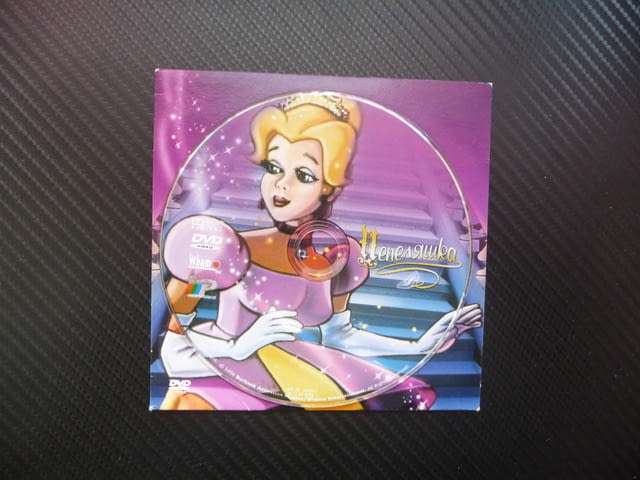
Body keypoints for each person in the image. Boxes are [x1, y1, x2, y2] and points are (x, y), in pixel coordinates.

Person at [159, 94, 482, 410]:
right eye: (273, 167)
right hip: (221, 376)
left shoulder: (339, 259)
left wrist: (419, 345)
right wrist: (236, 347)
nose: (281, 184)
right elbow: (173, 345)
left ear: (330, 188)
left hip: (297, 375)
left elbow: (340, 337)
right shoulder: (221, 249)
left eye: (303, 174)